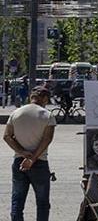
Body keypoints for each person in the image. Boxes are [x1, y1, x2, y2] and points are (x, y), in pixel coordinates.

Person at [6, 85, 55, 221]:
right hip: (39, 162)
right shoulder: (47, 115)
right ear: (45, 99)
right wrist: (32, 158)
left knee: (17, 200)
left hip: (19, 161)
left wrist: (22, 152)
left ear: (30, 97)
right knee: (42, 203)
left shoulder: (16, 113)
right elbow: (47, 139)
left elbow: (7, 136)